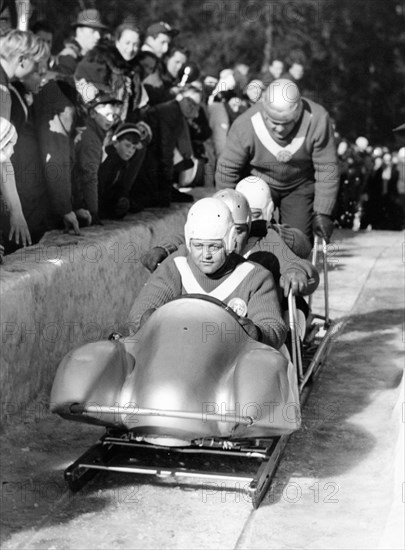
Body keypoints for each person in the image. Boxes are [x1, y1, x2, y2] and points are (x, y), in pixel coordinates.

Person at [129, 197, 287, 349]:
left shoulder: (255, 277)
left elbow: (273, 326)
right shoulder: (175, 267)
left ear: (230, 242)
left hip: (229, 364)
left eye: (214, 246)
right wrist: (148, 320)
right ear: (189, 242)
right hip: (176, 355)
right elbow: (139, 314)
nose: (206, 255)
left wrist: (257, 333)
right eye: (198, 246)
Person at [141, 182, 318, 298]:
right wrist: (164, 248)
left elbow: (294, 262)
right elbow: (186, 240)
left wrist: (296, 273)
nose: (231, 241)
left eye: (238, 231)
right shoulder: (207, 244)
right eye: (223, 232)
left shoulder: (266, 239)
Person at [215, 79, 339, 241]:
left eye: (287, 123)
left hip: (299, 185)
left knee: (298, 239)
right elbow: (227, 168)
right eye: (274, 122)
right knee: (253, 234)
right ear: (265, 113)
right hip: (258, 182)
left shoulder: (317, 120)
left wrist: (323, 212)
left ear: (298, 113)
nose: (280, 129)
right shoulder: (246, 124)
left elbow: (327, 167)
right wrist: (225, 207)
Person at [0, 29, 48, 256]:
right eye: (37, 64)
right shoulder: (2, 91)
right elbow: (1, 159)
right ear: (21, 60)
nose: (40, 70)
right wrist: (16, 212)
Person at [72, 92, 122, 226]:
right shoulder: (90, 138)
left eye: (115, 117)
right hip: (76, 201)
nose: (111, 120)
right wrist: (93, 212)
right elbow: (89, 176)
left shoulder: (92, 132)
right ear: (93, 113)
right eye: (107, 115)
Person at [98, 122, 146, 219]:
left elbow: (117, 187)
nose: (130, 151)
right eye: (127, 145)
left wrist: (122, 198)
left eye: (133, 148)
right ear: (116, 143)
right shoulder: (107, 161)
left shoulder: (122, 163)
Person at [56, 9, 107, 77]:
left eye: (99, 32)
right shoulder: (68, 57)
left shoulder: (91, 56)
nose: (98, 36)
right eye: (93, 31)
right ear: (79, 31)